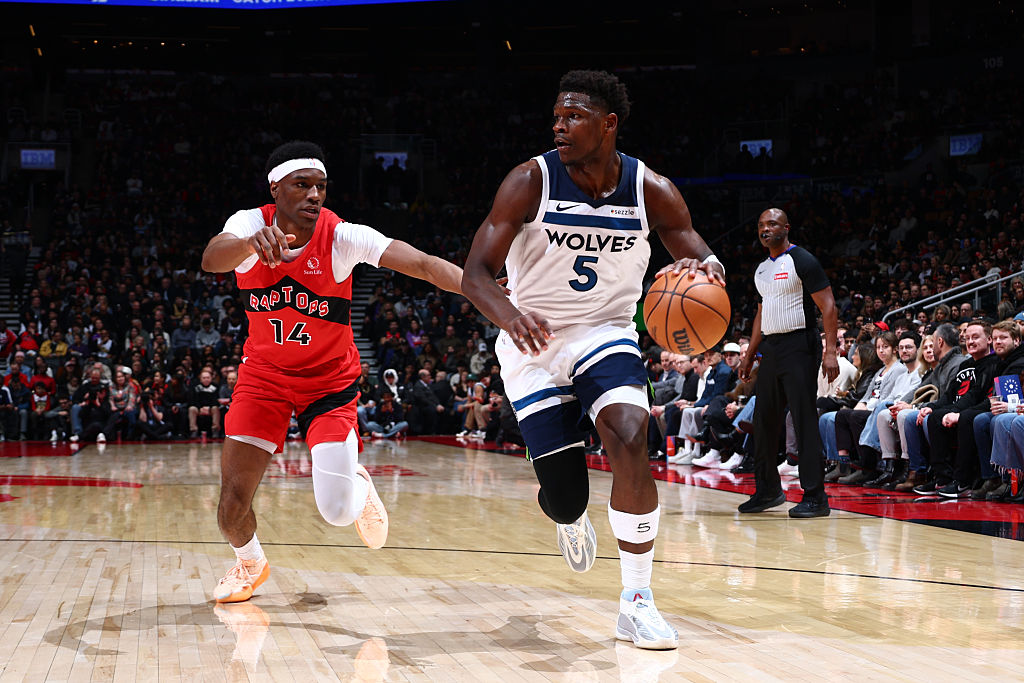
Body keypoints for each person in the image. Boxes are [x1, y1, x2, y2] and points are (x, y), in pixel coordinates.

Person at [462, 70, 724, 650]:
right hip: (532, 343)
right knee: (567, 497)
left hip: (607, 332)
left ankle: (636, 601)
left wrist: (709, 272)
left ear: (609, 123)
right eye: (556, 116)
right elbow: (475, 274)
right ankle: (565, 507)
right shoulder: (530, 180)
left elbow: (699, 251)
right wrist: (510, 316)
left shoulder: (650, 188)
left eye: (574, 116)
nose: (560, 125)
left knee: (632, 436)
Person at [200, 140, 463, 604]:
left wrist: (479, 287)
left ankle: (357, 483)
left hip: (328, 383)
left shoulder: (342, 237)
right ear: (275, 188)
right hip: (264, 379)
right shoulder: (248, 225)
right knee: (230, 507)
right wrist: (246, 245)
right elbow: (212, 258)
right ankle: (250, 565)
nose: (314, 195)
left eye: (320, 186)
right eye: (302, 185)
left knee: (338, 513)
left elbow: (421, 263)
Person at [736, 208, 839, 518]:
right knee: (764, 420)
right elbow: (761, 313)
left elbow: (829, 305)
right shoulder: (761, 270)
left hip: (800, 344)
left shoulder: (802, 260)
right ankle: (768, 490)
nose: (765, 229)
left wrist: (830, 350)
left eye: (772, 224)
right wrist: (751, 353)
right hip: (772, 347)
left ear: (786, 228)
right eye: (761, 225)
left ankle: (816, 497)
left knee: (803, 418)